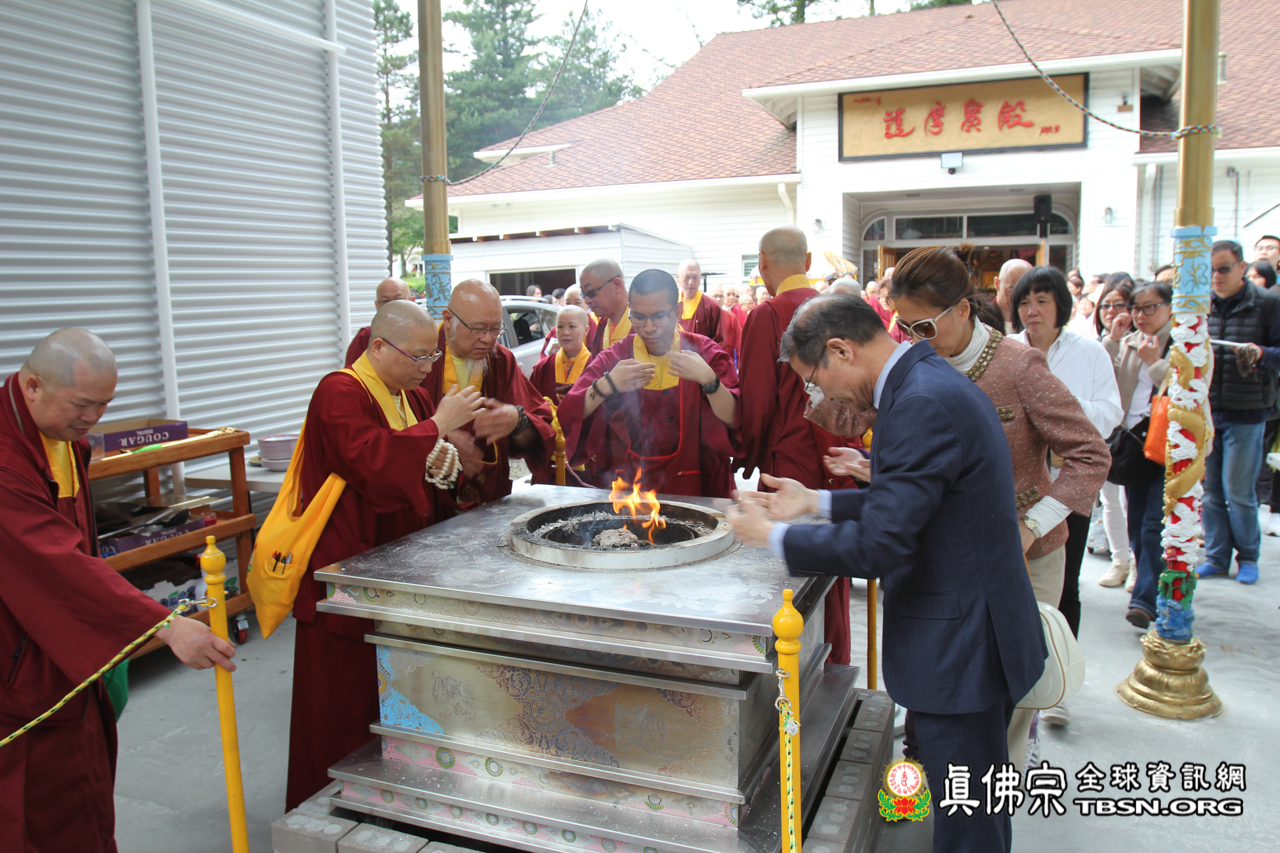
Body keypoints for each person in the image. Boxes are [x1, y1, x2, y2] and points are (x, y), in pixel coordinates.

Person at [726, 295, 1045, 853]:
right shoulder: (920, 382)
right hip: (969, 631)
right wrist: (816, 502)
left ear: (840, 350)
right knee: (970, 808)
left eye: (815, 381)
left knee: (969, 823)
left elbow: (883, 543)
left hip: (962, 644)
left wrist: (773, 536)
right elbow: (912, 502)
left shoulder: (919, 402)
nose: (821, 397)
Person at [1, 329, 236, 851]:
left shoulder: (63, 437)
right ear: (33, 386)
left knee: (82, 785)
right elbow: (54, 563)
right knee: (33, 809)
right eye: (82, 404)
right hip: (18, 655)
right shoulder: (5, 459)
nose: (93, 419)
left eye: (104, 405)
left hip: (58, 647)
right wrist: (163, 625)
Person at [890, 245, 1109, 770]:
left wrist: (1032, 524)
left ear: (963, 309)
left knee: (1012, 684)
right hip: (947, 555)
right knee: (953, 676)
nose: (915, 339)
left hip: (1025, 555)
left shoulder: (1018, 365)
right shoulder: (913, 364)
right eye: (905, 328)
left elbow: (1090, 454)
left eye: (924, 327)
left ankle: (996, 783)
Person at [287, 301, 486, 808]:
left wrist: (443, 455)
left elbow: (420, 462)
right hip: (347, 571)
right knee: (344, 707)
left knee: (400, 696)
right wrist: (436, 426)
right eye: (418, 357)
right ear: (378, 347)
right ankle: (332, 805)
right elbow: (371, 461)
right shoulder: (338, 392)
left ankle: (403, 799)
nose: (426, 368)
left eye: (431, 356)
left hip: (397, 565)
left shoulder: (410, 395)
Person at [734, 227, 863, 666]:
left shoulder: (768, 314)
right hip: (840, 460)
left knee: (791, 575)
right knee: (832, 570)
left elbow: (756, 403)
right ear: (808, 262)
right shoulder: (837, 309)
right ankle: (835, 664)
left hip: (791, 468)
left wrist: (747, 455)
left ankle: (795, 673)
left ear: (762, 264)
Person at [1009, 267, 1122, 728]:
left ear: (1062, 306)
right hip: (1018, 490)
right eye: (1024, 302)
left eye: (1042, 301)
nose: (1032, 311)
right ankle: (1015, 677)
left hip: (1068, 482)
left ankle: (1055, 682)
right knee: (1014, 586)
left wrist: (1053, 403)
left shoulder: (1089, 352)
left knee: (1064, 583)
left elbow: (1110, 413)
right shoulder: (1007, 350)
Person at [560, 270, 739, 497]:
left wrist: (709, 380)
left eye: (659, 316)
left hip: (700, 484)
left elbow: (735, 418)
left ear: (678, 312)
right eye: (639, 317)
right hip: (635, 489)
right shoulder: (617, 356)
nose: (649, 327)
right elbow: (570, 412)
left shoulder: (704, 352)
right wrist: (607, 384)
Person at [422, 280, 556, 510]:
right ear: (448, 320)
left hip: (490, 497)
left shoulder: (500, 359)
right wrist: (437, 436)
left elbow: (540, 426)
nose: (487, 339)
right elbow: (393, 430)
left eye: (495, 329)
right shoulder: (421, 358)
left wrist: (517, 420)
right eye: (478, 328)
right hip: (431, 498)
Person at [1197, 240, 1280, 585]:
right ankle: (1216, 557)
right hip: (1208, 410)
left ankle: (1248, 556)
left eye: (1224, 268)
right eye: (1211, 270)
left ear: (1242, 267)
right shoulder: (1201, 304)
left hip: (1248, 411)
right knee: (1211, 491)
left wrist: (1260, 353)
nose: (1216, 276)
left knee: (1239, 491)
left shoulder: (1268, 303)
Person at [1101, 281, 1178, 625]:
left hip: (1168, 444)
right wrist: (1113, 339)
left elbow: (1189, 390)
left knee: (1152, 525)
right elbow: (1108, 377)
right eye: (1136, 308)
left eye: (1150, 307)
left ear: (1169, 307)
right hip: (1134, 444)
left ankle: (1144, 601)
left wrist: (1156, 363)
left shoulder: (1184, 343)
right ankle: (1148, 587)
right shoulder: (1131, 342)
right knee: (1136, 522)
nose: (1141, 315)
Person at [1092, 278, 1138, 589]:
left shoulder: (1140, 343)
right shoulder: (1096, 343)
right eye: (1105, 305)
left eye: (1118, 304)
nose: (1111, 311)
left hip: (1132, 434)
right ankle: (1119, 559)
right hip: (1105, 433)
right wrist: (1111, 339)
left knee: (1129, 502)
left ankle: (1135, 562)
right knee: (1110, 501)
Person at [530, 305, 592, 405]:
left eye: (572, 326)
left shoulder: (595, 365)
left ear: (586, 331)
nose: (565, 333)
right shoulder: (543, 367)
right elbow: (530, 402)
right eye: (560, 326)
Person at [345, 277, 413, 367]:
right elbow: (351, 373)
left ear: (412, 302)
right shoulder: (366, 336)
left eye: (398, 299)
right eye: (385, 301)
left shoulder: (423, 335)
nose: (392, 306)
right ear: (377, 306)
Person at [581, 259, 632, 353]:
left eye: (591, 292)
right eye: (584, 294)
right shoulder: (602, 327)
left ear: (617, 285)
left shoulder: (643, 324)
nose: (587, 301)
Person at [676, 258, 725, 346]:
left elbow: (720, 342)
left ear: (700, 277)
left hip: (702, 355)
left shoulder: (711, 307)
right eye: (686, 277)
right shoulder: (670, 305)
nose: (691, 282)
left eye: (695, 277)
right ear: (678, 277)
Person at [540, 284, 598, 357]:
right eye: (568, 303)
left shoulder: (598, 332)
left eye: (577, 303)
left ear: (588, 304)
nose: (572, 307)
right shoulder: (555, 333)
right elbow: (543, 360)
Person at [995, 258, 1032, 332]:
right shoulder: (983, 317)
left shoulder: (1034, 319)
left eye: (1026, 290)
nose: (1020, 295)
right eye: (1012, 289)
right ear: (997, 284)